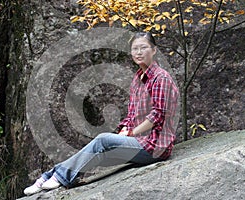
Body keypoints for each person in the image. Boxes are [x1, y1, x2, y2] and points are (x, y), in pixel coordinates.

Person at [24, 32, 179, 195]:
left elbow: (158, 116)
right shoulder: (138, 78)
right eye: (135, 49)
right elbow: (132, 114)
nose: (139, 52)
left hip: (154, 146)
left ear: (154, 50)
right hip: (138, 142)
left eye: (143, 48)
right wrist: (125, 129)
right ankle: (50, 176)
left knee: (103, 140)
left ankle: (59, 177)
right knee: (95, 152)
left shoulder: (161, 78)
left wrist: (132, 132)